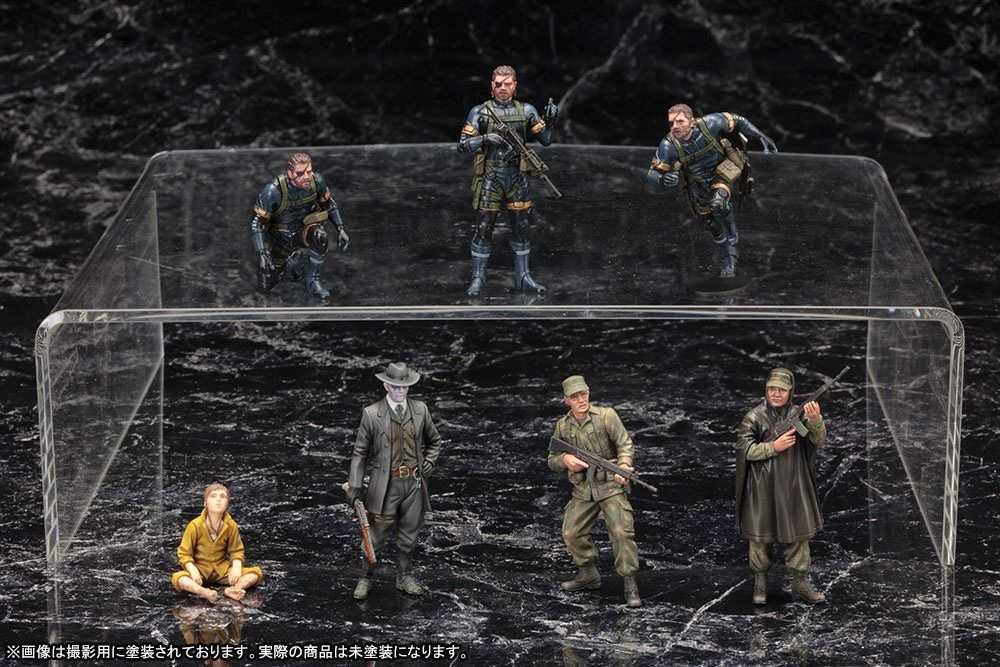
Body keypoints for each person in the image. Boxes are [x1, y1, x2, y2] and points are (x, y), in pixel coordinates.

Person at [457, 65, 559, 296]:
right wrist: (486, 138)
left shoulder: (527, 110)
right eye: (498, 84)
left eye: (507, 84)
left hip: (516, 177)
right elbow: (462, 145)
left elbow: (546, 140)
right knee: (484, 227)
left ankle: (523, 277)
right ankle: (478, 278)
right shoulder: (480, 112)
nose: (502, 88)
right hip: (491, 177)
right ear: (491, 86)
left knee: (521, 228)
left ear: (515, 86)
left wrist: (551, 120)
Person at [646, 104, 777, 279]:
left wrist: (760, 135)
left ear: (692, 122)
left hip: (724, 167)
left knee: (718, 201)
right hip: (698, 182)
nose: (675, 126)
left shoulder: (711, 123)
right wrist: (663, 180)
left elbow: (738, 121)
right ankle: (726, 256)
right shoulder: (668, 146)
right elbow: (653, 177)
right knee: (712, 224)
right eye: (671, 123)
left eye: (680, 121)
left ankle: (731, 235)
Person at [347, 362, 443, 599]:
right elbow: (360, 453)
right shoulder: (372, 414)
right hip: (385, 485)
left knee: (409, 535)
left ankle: (404, 576)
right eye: (396, 387)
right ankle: (366, 577)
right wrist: (355, 487)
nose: (401, 391)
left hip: (413, 484)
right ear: (386, 386)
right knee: (375, 536)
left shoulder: (420, 410)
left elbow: (434, 440)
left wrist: (430, 461)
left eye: (405, 387)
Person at [547, 375, 641, 608]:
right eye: (574, 397)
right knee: (571, 532)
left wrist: (624, 466)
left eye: (584, 394)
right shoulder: (563, 426)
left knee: (621, 531)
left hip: (610, 485)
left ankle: (630, 581)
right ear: (566, 400)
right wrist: (566, 459)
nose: (581, 400)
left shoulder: (606, 416)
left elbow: (625, 444)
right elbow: (552, 459)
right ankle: (588, 574)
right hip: (584, 488)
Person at [735, 367, 827, 605]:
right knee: (760, 537)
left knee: (798, 534)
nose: (776, 394)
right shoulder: (754, 417)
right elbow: (744, 450)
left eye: (782, 390)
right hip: (762, 486)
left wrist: (815, 420)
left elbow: (818, 440)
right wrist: (772, 447)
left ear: (790, 391)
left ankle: (800, 581)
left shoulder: (798, 413)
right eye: (772, 389)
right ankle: (760, 581)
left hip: (793, 483)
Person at [248, 152, 350, 299]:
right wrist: (262, 254)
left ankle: (312, 281)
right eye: (300, 173)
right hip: (278, 239)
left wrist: (340, 229)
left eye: (309, 171)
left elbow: (329, 205)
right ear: (290, 173)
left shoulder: (317, 182)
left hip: (302, 232)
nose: (306, 177)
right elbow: (258, 224)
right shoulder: (273, 191)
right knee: (266, 286)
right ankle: (290, 265)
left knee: (320, 236)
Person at [171, 483, 263, 603]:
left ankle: (235, 589)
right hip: (200, 569)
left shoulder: (231, 525)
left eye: (223, 496)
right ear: (205, 503)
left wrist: (236, 566)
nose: (218, 499)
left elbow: (236, 550)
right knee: (179, 578)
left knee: (255, 573)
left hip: (222, 569)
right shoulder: (195, 525)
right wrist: (192, 569)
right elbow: (184, 553)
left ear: (227, 503)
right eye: (213, 496)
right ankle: (204, 592)